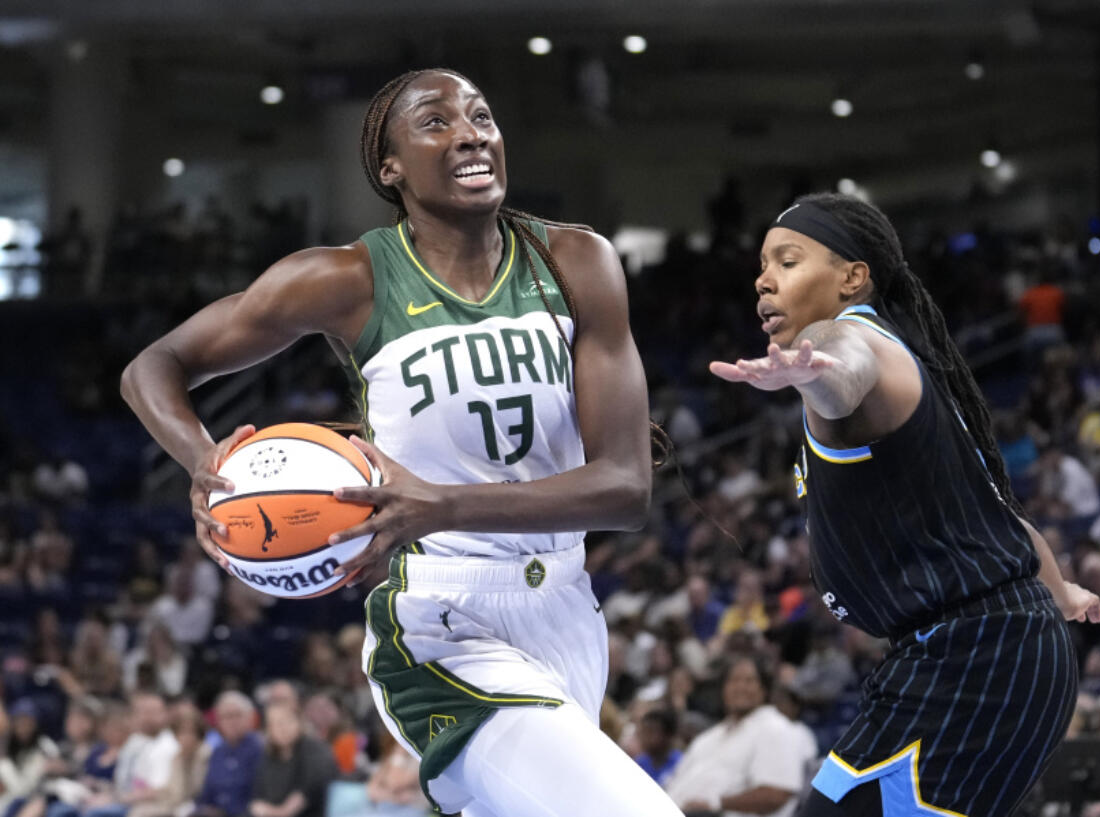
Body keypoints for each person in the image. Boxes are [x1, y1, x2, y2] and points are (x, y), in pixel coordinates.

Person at [121, 67, 682, 817]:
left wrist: (441, 503)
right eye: (436, 123)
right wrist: (206, 463)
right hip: (438, 626)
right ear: (389, 168)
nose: (470, 134)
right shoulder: (347, 278)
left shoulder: (577, 263)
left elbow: (625, 489)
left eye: (481, 116)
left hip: (568, 613)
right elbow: (152, 367)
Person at [710, 192, 1100, 817]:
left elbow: (845, 369)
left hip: (975, 659)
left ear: (852, 277)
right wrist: (1060, 592)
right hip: (973, 649)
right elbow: (999, 512)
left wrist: (817, 375)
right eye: (762, 265)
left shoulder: (849, 340)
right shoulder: (907, 366)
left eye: (787, 261)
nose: (763, 278)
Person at [665, 657, 811, 817]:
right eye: (733, 680)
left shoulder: (776, 728)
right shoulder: (708, 737)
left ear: (764, 689)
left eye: (749, 681)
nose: (740, 687)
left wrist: (715, 803)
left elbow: (777, 793)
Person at [247, 704, 336, 817]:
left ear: (299, 722)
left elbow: (307, 790)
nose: (281, 728)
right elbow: (257, 800)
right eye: (274, 724)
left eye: (286, 721)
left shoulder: (315, 750)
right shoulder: (267, 756)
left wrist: (275, 812)